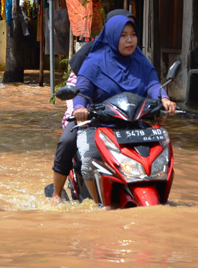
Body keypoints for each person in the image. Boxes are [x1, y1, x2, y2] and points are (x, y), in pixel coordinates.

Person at [52, 15, 176, 205]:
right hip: (99, 123)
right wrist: (79, 108)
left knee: (161, 155)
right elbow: (82, 90)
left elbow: (153, 84)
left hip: (133, 124)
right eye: (123, 35)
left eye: (133, 35)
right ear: (111, 36)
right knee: (88, 158)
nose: (129, 40)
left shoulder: (141, 61)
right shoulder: (94, 62)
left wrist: (164, 99)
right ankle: (94, 203)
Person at [51, 10, 136, 204]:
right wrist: (79, 110)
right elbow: (75, 84)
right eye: (123, 31)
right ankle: (56, 192)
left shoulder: (135, 57)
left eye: (132, 31)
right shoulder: (90, 53)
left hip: (123, 118)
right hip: (89, 118)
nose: (128, 37)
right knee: (67, 141)